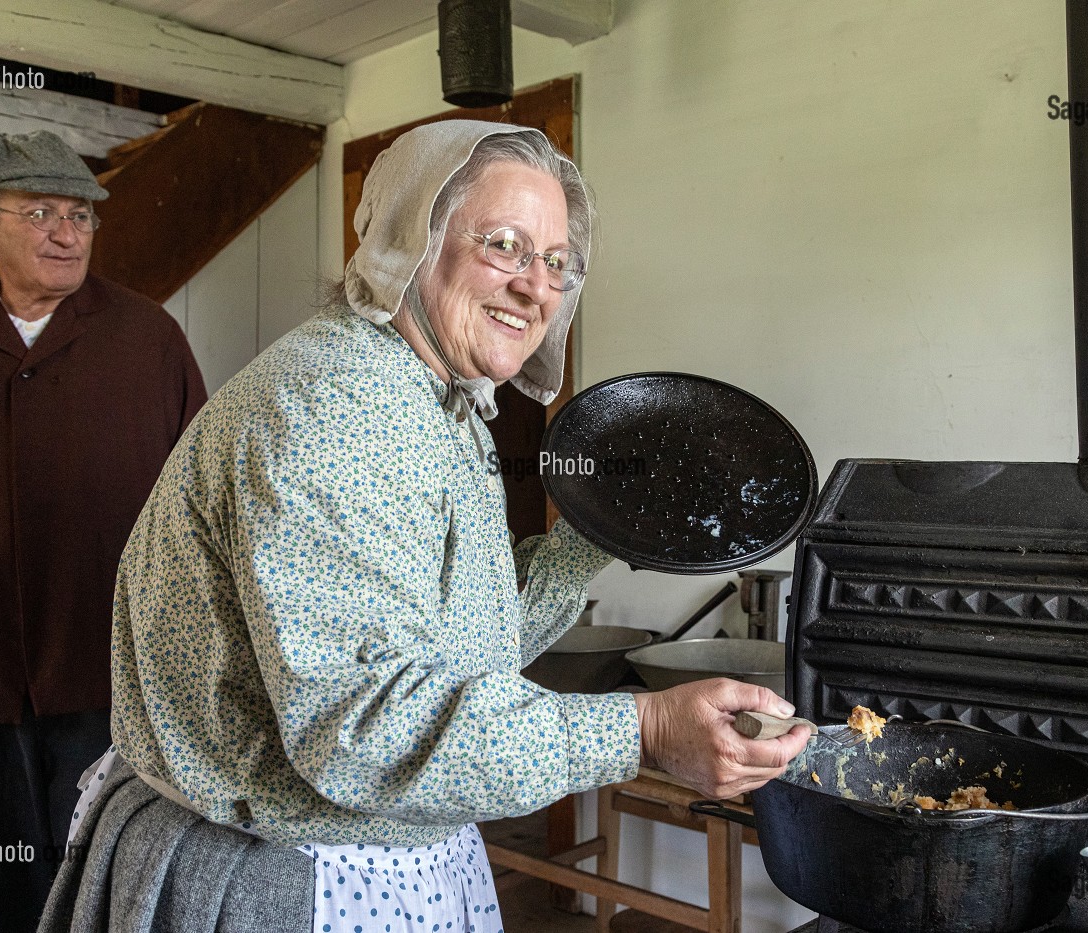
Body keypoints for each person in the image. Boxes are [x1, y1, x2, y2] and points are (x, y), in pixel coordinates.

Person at [40, 120, 807, 933]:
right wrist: (643, 729)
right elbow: (364, 722)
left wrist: (597, 534)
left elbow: (465, 643)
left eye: (555, 262)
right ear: (413, 237)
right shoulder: (335, 406)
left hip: (375, 855)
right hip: (281, 874)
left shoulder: (440, 401)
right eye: (505, 245)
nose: (536, 286)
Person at [0, 129, 207, 932]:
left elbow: (202, 512)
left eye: (82, 215)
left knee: (113, 875)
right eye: (42, 212)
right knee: (8, 874)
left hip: (114, 675)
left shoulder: (147, 337)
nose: (66, 232)